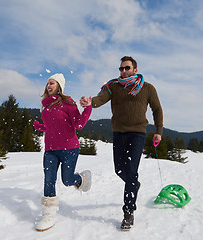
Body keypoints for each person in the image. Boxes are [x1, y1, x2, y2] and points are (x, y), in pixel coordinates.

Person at [80, 56, 163, 231]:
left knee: (131, 170)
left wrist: (158, 131)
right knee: (119, 170)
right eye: (121, 69)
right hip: (118, 134)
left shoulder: (147, 88)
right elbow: (101, 98)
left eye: (126, 68)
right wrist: (90, 102)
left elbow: (157, 109)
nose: (123, 71)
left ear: (135, 69)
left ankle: (128, 212)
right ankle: (134, 183)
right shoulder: (114, 87)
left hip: (137, 134)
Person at [34, 73, 92, 232]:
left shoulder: (68, 103)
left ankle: (81, 179)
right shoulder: (45, 106)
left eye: (52, 83)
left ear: (59, 86)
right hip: (50, 150)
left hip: (69, 149)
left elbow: (78, 125)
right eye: (47, 83)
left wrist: (88, 108)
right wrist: (40, 127)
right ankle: (48, 215)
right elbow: (52, 126)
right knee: (49, 180)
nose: (48, 86)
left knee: (67, 181)